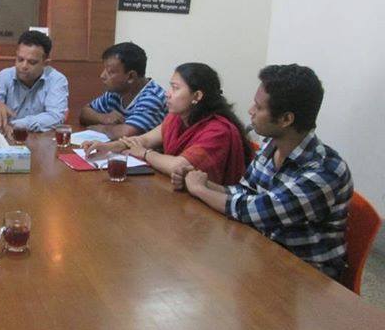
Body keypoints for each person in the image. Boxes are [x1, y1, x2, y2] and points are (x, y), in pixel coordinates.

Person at [185, 64, 353, 279]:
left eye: (259, 107)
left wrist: (200, 190)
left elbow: (255, 210)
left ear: (286, 119)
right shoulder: (270, 146)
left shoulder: (326, 171)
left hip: (308, 277)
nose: (250, 111)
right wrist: (203, 182)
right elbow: (245, 192)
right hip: (263, 254)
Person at [83, 63, 251, 187]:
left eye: (175, 88)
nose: (167, 94)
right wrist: (107, 147)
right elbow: (144, 140)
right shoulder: (177, 117)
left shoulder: (218, 130)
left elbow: (180, 165)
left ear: (197, 96)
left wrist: (145, 154)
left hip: (215, 209)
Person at [0, 30, 68, 135]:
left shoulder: (56, 80)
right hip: (6, 140)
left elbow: (55, 117)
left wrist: (15, 125)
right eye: (20, 59)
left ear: (45, 63)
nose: (24, 66)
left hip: (39, 141)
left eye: (32, 62)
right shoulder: (5, 76)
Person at [79, 42, 167, 139]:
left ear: (130, 76)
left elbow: (127, 133)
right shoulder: (115, 93)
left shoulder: (152, 97)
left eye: (110, 72)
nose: (102, 76)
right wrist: (104, 118)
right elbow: (84, 113)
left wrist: (103, 129)